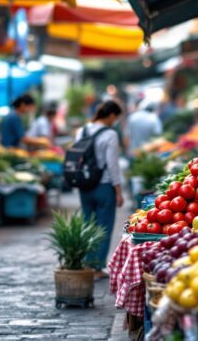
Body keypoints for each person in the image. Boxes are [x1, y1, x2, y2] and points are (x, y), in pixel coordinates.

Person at [75, 100, 124, 278]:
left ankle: (87, 263)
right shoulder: (110, 134)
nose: (116, 121)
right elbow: (112, 165)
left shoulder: (82, 130)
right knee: (104, 226)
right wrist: (118, 191)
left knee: (88, 223)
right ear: (111, 115)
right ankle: (96, 268)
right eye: (116, 117)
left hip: (85, 185)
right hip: (104, 186)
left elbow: (77, 158)